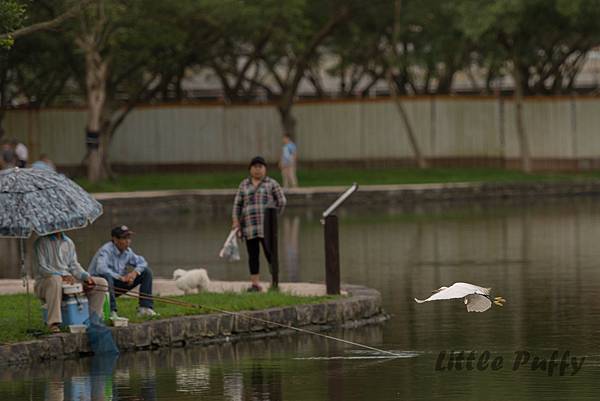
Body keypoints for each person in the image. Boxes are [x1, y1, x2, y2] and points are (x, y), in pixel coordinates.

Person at [33, 232, 108, 333]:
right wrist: (62, 276)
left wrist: (86, 277)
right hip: (45, 282)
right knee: (55, 279)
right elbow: (42, 268)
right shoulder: (40, 242)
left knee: (101, 282)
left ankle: (93, 320)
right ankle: (53, 323)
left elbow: (74, 265)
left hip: (67, 280)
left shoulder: (69, 242)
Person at [232, 156, 287, 291]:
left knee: (271, 254)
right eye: (255, 167)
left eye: (260, 167)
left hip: (267, 228)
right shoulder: (244, 185)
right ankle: (255, 284)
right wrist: (235, 222)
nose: (257, 170)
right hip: (250, 227)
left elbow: (282, 201)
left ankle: (275, 283)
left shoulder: (271, 184)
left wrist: (273, 218)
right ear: (250, 169)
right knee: (253, 255)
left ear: (265, 169)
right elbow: (237, 205)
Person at [88, 225, 158, 318]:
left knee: (146, 272)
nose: (128, 241)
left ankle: (145, 308)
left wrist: (134, 274)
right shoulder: (106, 250)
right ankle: (112, 312)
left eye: (129, 238)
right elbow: (101, 269)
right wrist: (121, 277)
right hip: (99, 287)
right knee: (106, 276)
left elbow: (142, 262)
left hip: (116, 284)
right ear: (115, 239)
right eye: (124, 238)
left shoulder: (127, 251)